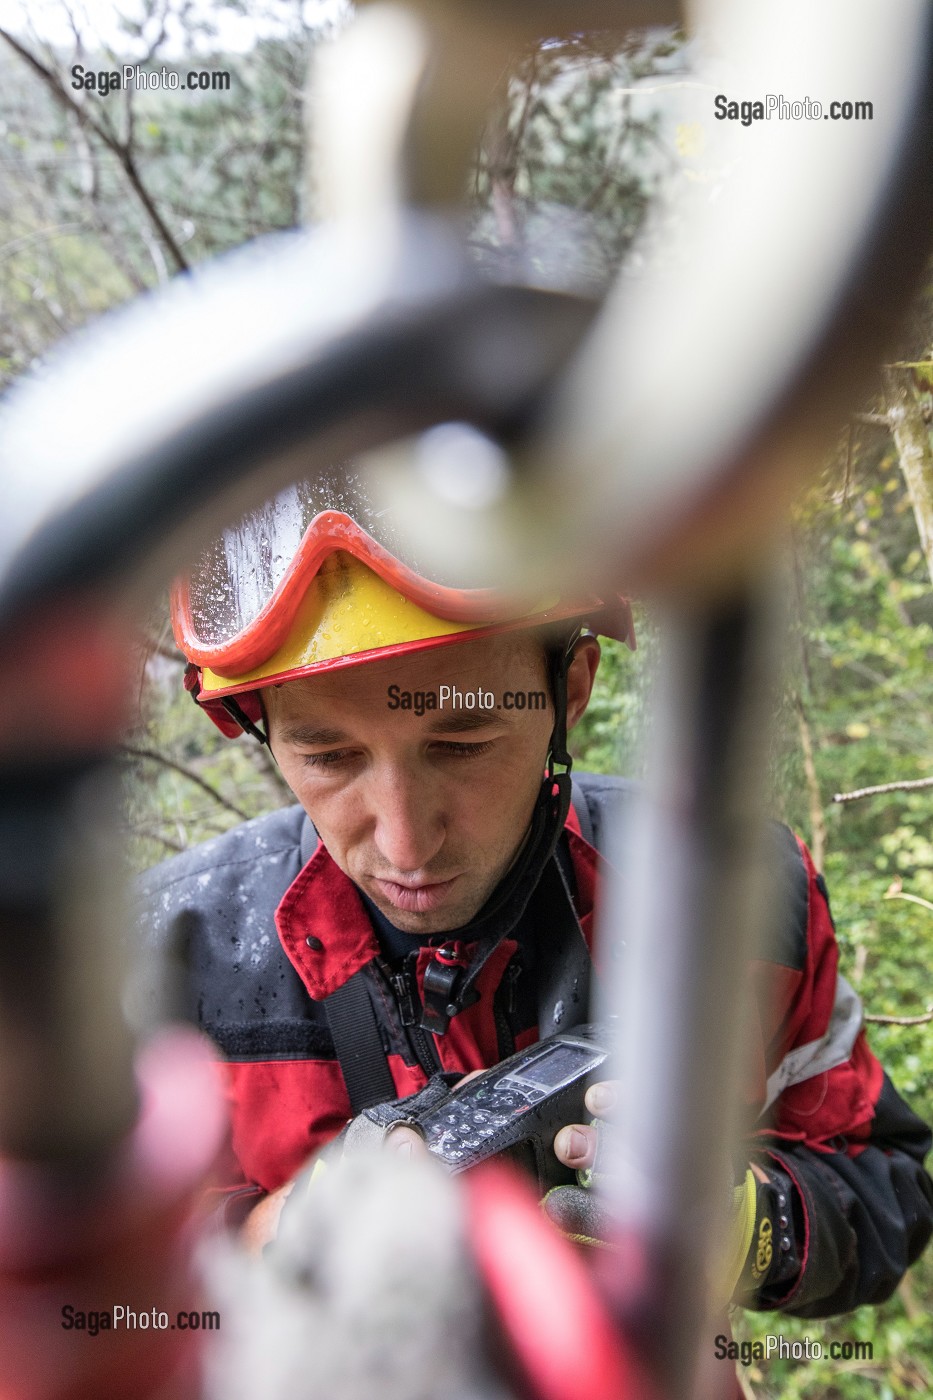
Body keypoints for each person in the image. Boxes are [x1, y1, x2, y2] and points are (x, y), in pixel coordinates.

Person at [141, 477, 933, 1316]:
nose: (405, 842)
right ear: (262, 726)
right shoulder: (167, 957)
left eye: (461, 742)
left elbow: (879, 1182)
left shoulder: (731, 895)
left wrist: (750, 1229)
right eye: (328, 758)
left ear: (571, 692)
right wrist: (275, 1240)